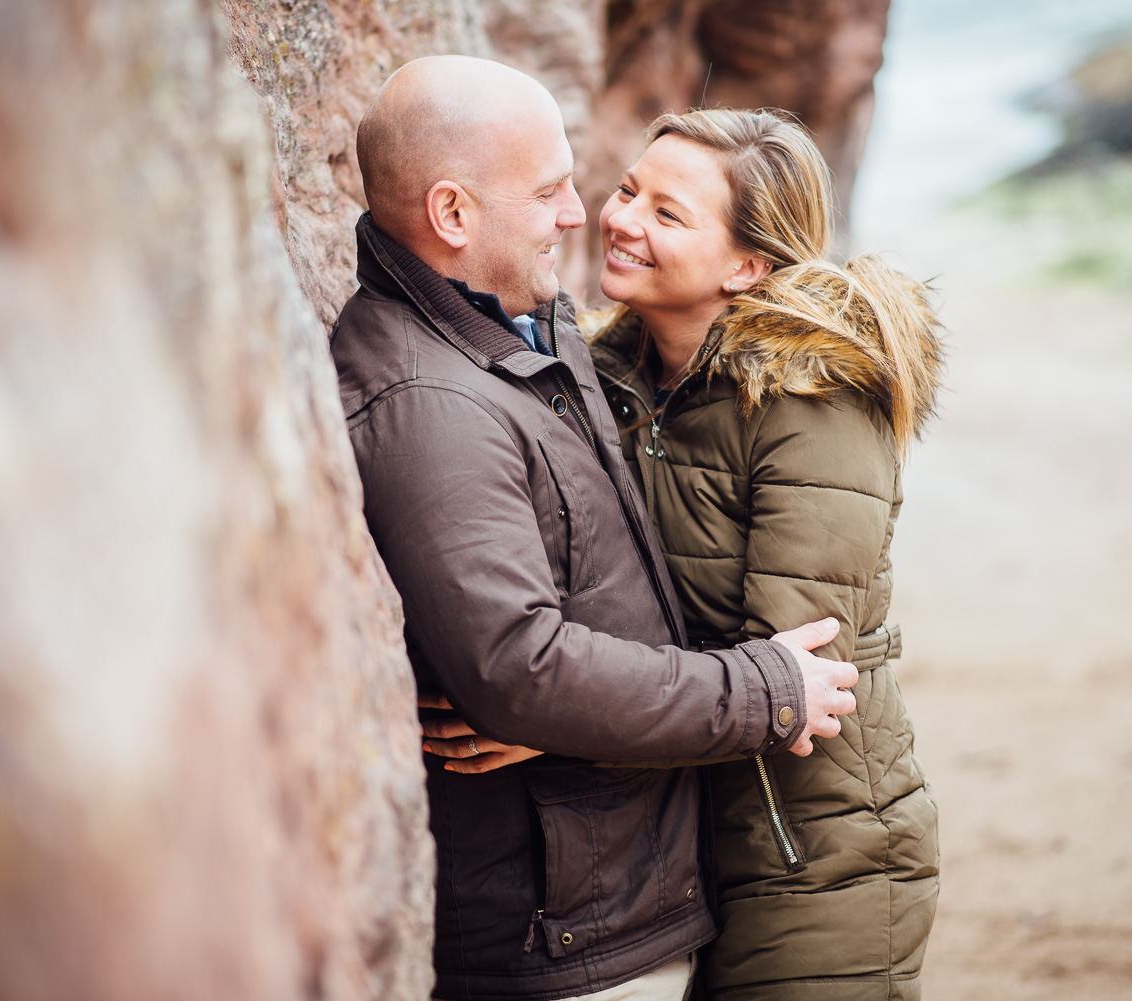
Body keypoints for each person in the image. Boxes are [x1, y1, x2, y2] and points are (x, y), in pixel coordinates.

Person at [330, 57, 859, 1001]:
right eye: (551, 191)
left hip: (659, 876)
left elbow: (632, 609)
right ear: (453, 215)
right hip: (571, 938)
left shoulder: (529, 328)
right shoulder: (433, 403)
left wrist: (561, 725)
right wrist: (740, 693)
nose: (584, 216)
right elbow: (521, 671)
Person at [429, 108, 944, 999]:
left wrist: (553, 725)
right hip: (661, 849)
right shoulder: (597, 380)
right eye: (629, 189)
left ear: (748, 265)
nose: (621, 219)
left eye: (669, 214)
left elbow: (793, 681)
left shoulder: (814, 402)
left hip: (815, 855)